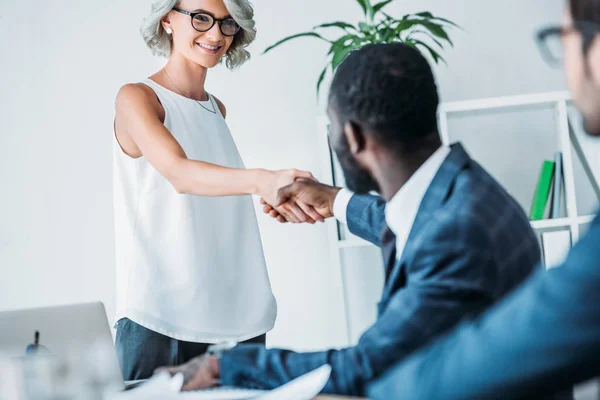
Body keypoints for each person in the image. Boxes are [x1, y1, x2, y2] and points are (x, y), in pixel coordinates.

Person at [156, 42, 541, 397]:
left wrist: (221, 365)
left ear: (352, 137)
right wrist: (334, 200)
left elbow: (367, 366)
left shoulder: (454, 232)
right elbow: (407, 222)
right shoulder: (464, 189)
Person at [366, 1, 600, 399]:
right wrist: (335, 201)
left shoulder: (460, 217)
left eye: (563, 39)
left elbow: (526, 335)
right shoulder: (474, 195)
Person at [112, 0, 322, 380]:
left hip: (237, 317)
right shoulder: (137, 98)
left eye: (227, 24)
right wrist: (262, 180)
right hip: (162, 319)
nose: (215, 34)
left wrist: (282, 194)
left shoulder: (216, 109)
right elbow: (180, 174)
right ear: (168, 20)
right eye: (201, 18)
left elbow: (216, 200)